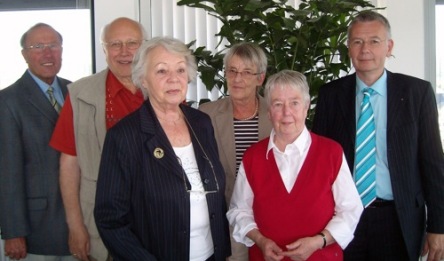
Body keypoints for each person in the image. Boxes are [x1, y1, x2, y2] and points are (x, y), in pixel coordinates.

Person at [311, 10, 444, 261]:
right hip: (343, 218)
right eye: (357, 42)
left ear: (389, 46)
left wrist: (438, 226)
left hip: (398, 219)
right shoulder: (331, 94)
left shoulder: (417, 93)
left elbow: (433, 163)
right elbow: (319, 163)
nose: (365, 50)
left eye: (374, 41)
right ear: (349, 47)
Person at [93, 36, 231, 260]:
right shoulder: (125, 136)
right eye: (161, 71)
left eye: (180, 70)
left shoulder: (201, 123)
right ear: (143, 80)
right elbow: (110, 219)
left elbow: (216, 192)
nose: (173, 79)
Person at [227, 70, 363, 261]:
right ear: (268, 111)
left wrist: (319, 241)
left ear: (306, 107)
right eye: (278, 104)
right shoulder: (253, 157)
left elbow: (350, 210)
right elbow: (238, 210)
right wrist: (260, 240)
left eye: (294, 103)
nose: (286, 112)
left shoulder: (331, 152)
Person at [49, 17, 146, 261]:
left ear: (144, 46)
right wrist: (76, 226)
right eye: (115, 44)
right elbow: (69, 164)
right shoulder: (81, 94)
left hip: (153, 219)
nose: (124, 52)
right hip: (100, 222)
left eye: (132, 43)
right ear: (104, 49)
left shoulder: (163, 87)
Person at [0, 23, 74, 260]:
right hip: (36, 229)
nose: (47, 53)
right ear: (25, 55)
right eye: (38, 46)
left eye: (53, 45)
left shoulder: (76, 91)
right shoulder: (8, 101)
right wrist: (13, 232)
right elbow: (7, 172)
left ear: (61, 50)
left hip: (80, 224)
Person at [199, 42, 272, 260]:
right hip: (225, 217)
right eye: (232, 71)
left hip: (269, 216)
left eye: (247, 72)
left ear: (260, 78)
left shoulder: (278, 112)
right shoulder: (206, 115)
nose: (237, 79)